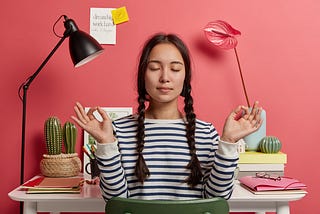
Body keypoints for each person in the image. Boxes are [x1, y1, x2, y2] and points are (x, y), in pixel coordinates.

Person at [71, 33, 262, 201]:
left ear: (185, 78)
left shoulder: (206, 133)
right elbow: (116, 200)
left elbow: (216, 199)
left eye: (175, 69)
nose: (165, 77)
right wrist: (106, 143)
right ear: (142, 76)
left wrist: (228, 143)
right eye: (154, 68)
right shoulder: (117, 131)